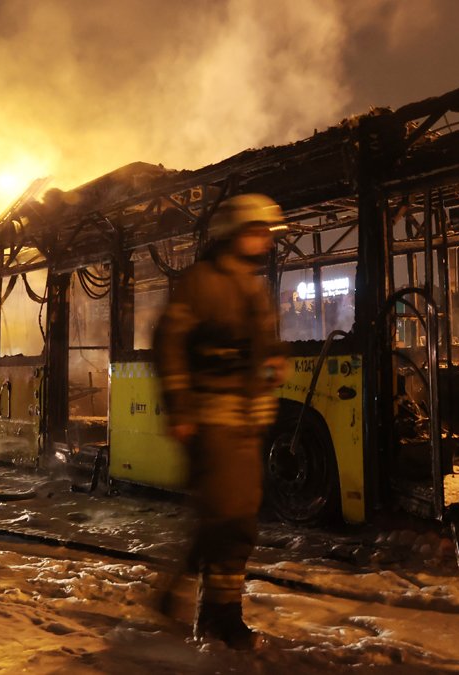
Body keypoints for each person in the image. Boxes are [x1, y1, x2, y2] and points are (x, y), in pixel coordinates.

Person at [153, 193, 287, 649]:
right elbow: (169, 343)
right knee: (231, 521)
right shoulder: (202, 283)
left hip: (245, 420)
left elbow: (265, 349)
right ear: (236, 234)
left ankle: (192, 602)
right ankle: (221, 617)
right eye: (259, 232)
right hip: (214, 419)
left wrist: (273, 368)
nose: (267, 243)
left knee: (227, 518)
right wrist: (181, 409)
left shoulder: (249, 285)